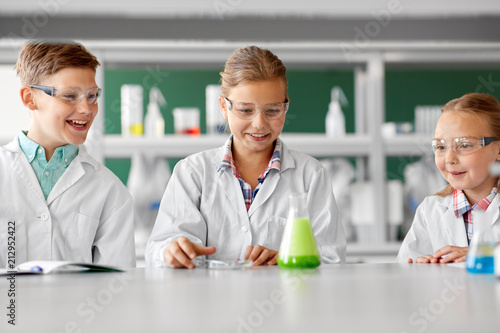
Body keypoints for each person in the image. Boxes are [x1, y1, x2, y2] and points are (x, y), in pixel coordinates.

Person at [146, 46, 346, 268]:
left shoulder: (311, 176)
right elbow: (159, 248)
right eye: (245, 110)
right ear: (224, 106)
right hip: (209, 301)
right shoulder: (192, 172)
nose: (259, 123)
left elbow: (332, 260)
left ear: (285, 107)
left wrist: (284, 260)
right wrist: (171, 251)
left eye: (272, 110)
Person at [0, 41, 136, 267]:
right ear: (29, 98)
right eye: (70, 96)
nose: (86, 109)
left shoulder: (110, 191)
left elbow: (117, 285)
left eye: (92, 96)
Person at [397, 93, 500, 263]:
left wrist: (484, 253)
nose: (450, 158)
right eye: (440, 146)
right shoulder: (430, 210)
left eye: (465, 145)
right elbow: (404, 271)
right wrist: (422, 270)